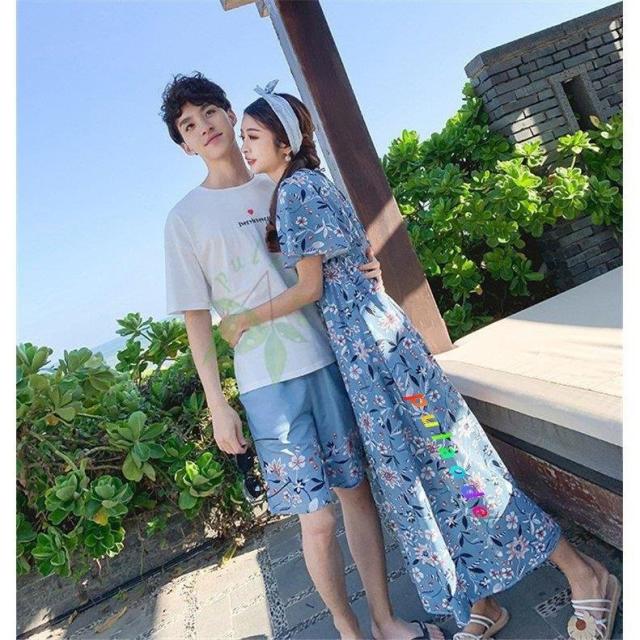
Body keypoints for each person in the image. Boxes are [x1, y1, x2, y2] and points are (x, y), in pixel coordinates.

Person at [218, 79, 621, 640]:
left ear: (285, 142)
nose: (245, 145)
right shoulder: (304, 186)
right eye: (243, 136)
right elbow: (350, 261)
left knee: (457, 466)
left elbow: (311, 287)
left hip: (380, 358)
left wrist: (244, 319)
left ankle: (584, 572)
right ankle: (480, 600)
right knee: (425, 476)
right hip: (371, 357)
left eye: (253, 136)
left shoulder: (296, 192)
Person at [161, 72, 446, 640]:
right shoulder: (184, 219)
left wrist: (369, 269)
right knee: (315, 519)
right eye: (188, 126)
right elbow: (196, 319)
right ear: (185, 145)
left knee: (357, 495)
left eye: (210, 112)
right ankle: (347, 629)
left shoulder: (281, 181)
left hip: (331, 358)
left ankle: (385, 620)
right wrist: (218, 404)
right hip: (268, 384)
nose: (205, 127)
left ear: (231, 115)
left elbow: (335, 255)